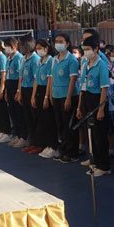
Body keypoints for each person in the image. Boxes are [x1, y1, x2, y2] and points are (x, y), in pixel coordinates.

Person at [76, 36, 112, 175]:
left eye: (88, 49)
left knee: (99, 135)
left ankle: (104, 166)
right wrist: (79, 107)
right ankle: (94, 160)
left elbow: (104, 88)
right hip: (86, 98)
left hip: (97, 99)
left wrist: (101, 109)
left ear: (96, 49)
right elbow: (82, 87)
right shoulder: (85, 63)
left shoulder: (102, 65)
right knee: (89, 132)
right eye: (84, 49)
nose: (86, 52)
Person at [47, 34, 80, 162]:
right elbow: (52, 78)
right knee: (60, 124)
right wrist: (50, 94)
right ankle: (63, 149)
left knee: (69, 125)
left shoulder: (71, 59)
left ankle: (72, 153)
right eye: (56, 41)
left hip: (68, 96)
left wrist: (68, 98)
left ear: (67, 44)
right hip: (56, 95)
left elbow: (73, 80)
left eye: (61, 41)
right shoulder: (54, 59)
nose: (58, 43)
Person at [29, 39, 58, 156]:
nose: (39, 51)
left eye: (40, 48)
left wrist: (47, 96)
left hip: (47, 90)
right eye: (37, 48)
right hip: (39, 91)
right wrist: (33, 96)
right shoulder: (39, 61)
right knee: (42, 120)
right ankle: (47, 144)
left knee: (49, 120)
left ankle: (53, 145)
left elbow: (50, 80)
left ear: (46, 48)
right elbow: (36, 79)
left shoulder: (51, 61)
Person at [18, 35, 40, 152]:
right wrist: (20, 92)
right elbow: (21, 77)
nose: (20, 47)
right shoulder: (23, 59)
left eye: (21, 44)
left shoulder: (35, 59)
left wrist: (33, 96)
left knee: (35, 118)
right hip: (24, 89)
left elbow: (36, 79)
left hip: (33, 90)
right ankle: (32, 141)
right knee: (28, 118)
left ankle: (39, 143)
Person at [3, 37, 25, 147]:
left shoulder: (19, 58)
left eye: (8, 46)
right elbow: (7, 75)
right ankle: (17, 134)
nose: (6, 49)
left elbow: (20, 77)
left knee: (19, 112)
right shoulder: (8, 58)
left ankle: (23, 136)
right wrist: (6, 91)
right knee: (12, 111)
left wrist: (18, 91)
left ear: (14, 47)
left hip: (16, 85)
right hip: (9, 85)